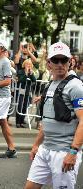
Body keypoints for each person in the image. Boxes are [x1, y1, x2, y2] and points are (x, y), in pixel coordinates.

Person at [24, 42, 83, 189]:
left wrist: (73, 151)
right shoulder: (51, 84)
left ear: (70, 62)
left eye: (63, 60)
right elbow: (47, 120)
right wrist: (36, 145)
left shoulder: (75, 86)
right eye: (55, 60)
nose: (60, 64)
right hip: (45, 150)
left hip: (64, 152)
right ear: (49, 63)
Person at [16, 59, 37, 128]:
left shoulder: (31, 72)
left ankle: (22, 121)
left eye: (30, 64)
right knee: (20, 106)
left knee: (25, 107)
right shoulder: (20, 71)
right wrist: (25, 74)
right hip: (21, 91)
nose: (28, 65)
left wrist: (31, 74)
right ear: (24, 65)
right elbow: (21, 80)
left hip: (27, 92)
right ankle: (18, 122)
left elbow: (34, 81)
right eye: (27, 64)